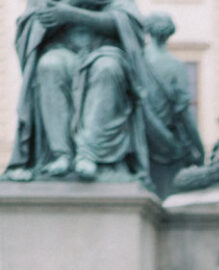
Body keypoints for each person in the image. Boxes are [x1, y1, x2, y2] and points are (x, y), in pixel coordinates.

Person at [6, 0, 151, 183]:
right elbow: (32, 28)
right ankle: (61, 154)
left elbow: (126, 23)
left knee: (107, 68)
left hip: (104, 51)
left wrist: (74, 15)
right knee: (49, 66)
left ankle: (89, 153)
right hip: (61, 50)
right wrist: (71, 4)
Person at [143, 13, 204, 198]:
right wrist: (199, 148)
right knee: (168, 200)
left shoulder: (138, 60)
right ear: (170, 33)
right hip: (167, 145)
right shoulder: (176, 66)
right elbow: (184, 114)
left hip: (139, 142)